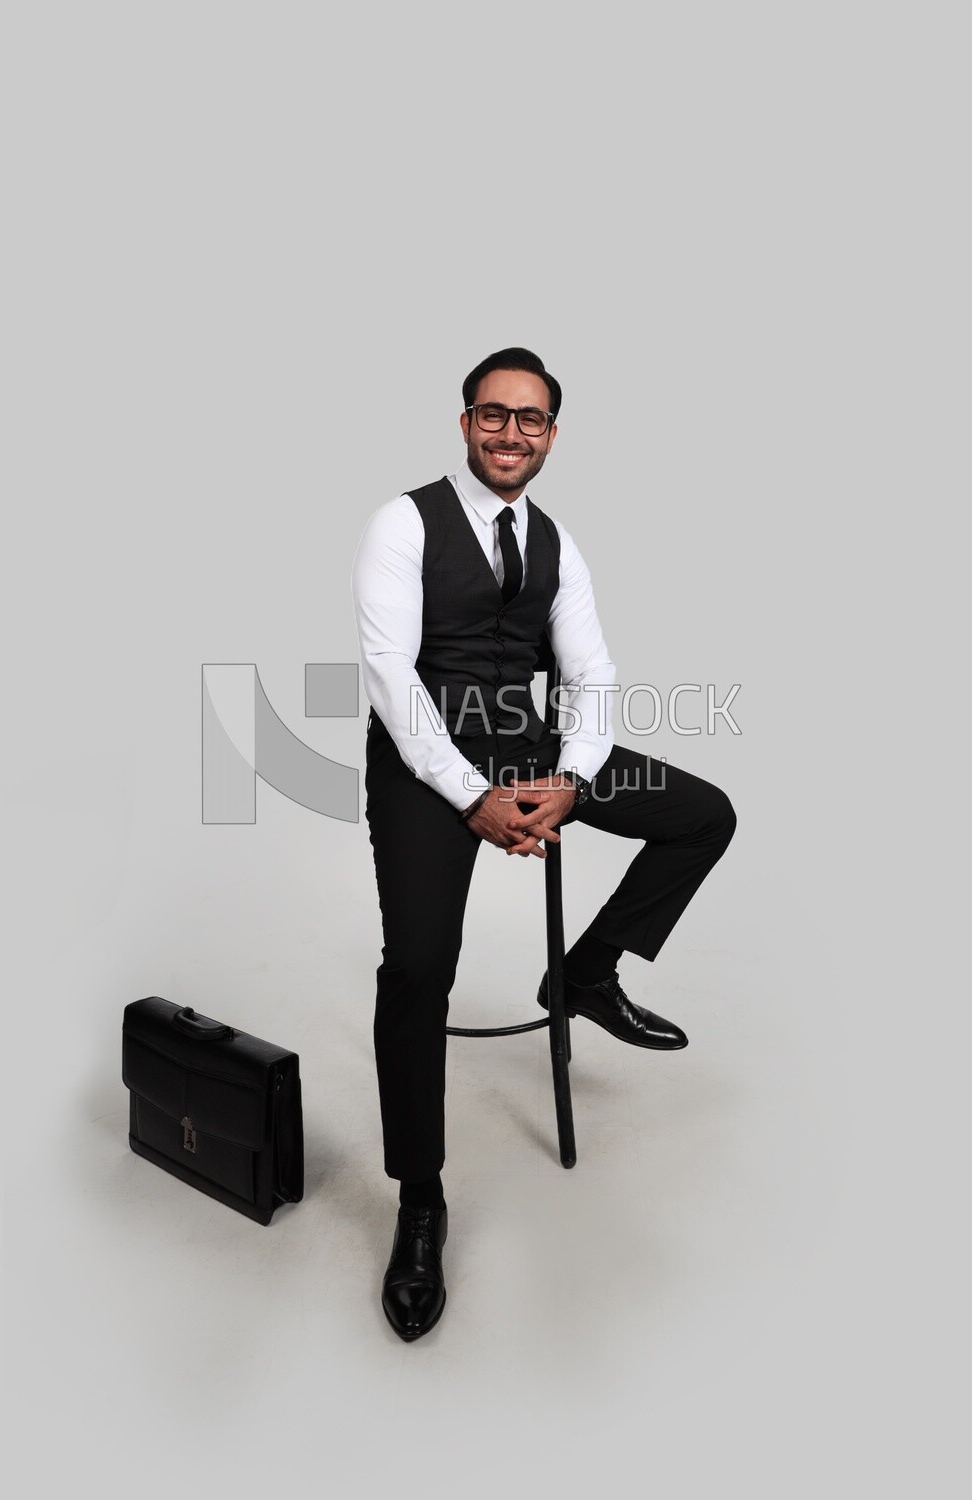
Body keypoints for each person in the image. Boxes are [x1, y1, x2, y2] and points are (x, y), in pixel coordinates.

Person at [351, 347, 736, 1341]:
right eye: (492, 414)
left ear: (551, 434)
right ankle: (421, 1199)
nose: (509, 433)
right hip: (421, 762)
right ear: (466, 421)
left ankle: (584, 971)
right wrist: (476, 798)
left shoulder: (557, 541)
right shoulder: (403, 523)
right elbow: (392, 681)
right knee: (419, 969)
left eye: (529, 419)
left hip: (528, 749)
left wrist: (566, 777)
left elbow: (594, 671)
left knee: (701, 814)